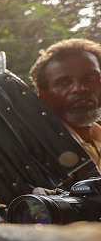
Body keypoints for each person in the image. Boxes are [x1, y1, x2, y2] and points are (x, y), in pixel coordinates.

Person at [30, 38, 101, 172]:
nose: (79, 88)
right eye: (63, 82)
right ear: (45, 97)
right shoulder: (36, 153)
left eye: (90, 77)